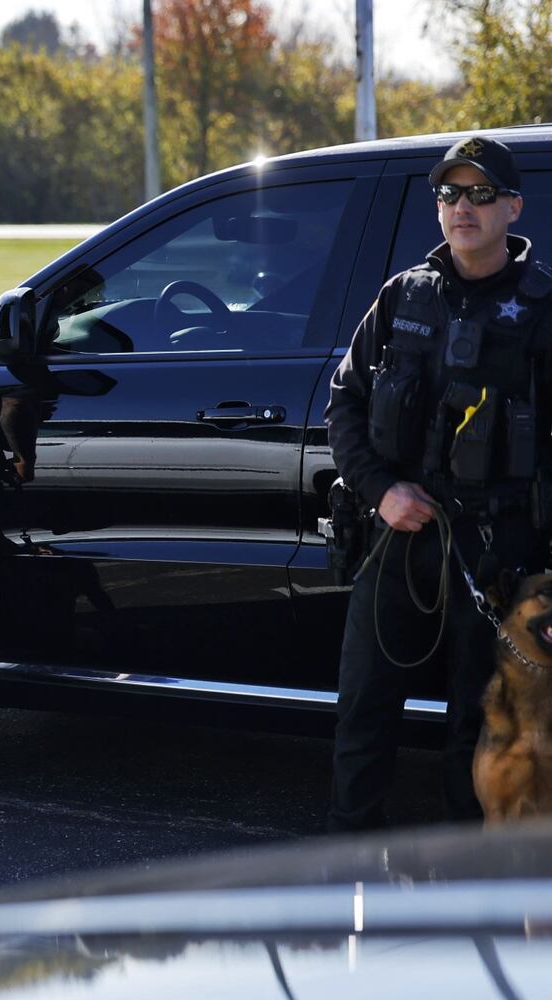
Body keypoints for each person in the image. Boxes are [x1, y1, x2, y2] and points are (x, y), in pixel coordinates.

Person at [326, 135, 552, 831]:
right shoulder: (401, 297)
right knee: (362, 708)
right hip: (398, 537)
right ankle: (347, 872)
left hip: (497, 551)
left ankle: (466, 900)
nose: (462, 206)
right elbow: (346, 404)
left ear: (511, 207)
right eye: (448, 193)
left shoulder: (542, 310)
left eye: (480, 193)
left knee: (472, 728)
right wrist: (379, 492)